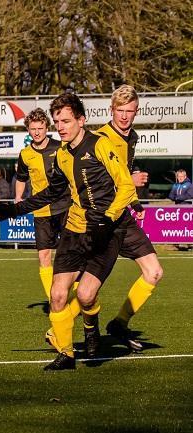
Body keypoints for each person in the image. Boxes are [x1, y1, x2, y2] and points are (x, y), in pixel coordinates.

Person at [0, 93, 136, 370]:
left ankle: (91, 327)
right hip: (74, 229)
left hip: (106, 231)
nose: (60, 127)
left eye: (66, 121)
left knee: (84, 296)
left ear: (81, 121)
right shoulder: (61, 154)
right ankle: (66, 354)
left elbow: (126, 186)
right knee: (58, 294)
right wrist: (14, 210)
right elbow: (53, 193)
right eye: (57, 121)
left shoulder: (100, 144)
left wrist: (108, 218)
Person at [96, 85, 163, 351]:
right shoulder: (100, 138)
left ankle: (119, 323)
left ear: (136, 112)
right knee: (88, 285)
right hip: (101, 217)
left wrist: (133, 199)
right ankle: (58, 330)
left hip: (123, 216)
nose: (124, 116)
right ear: (111, 110)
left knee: (154, 271)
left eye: (130, 111)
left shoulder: (130, 137)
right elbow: (95, 183)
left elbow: (122, 176)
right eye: (120, 111)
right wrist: (129, 182)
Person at [15, 108, 76, 324]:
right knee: (43, 256)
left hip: (65, 205)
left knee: (72, 254)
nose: (37, 132)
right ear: (28, 130)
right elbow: (21, 178)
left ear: (47, 128)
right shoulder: (25, 154)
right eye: (33, 129)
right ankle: (54, 299)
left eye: (41, 128)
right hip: (41, 210)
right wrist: (18, 198)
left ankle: (76, 297)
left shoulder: (61, 147)